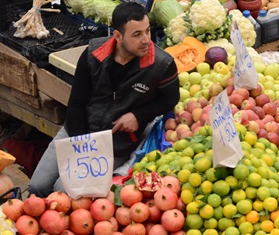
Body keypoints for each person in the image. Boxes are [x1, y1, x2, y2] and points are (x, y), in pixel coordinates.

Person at [29, 2, 180, 197]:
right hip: (76, 132)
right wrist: (81, 147)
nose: (146, 40)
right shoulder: (93, 54)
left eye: (147, 31)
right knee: (37, 186)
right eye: (137, 34)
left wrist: (138, 115)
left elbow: (171, 99)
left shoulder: (162, 65)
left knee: (62, 192)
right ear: (118, 36)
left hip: (114, 144)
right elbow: (76, 103)